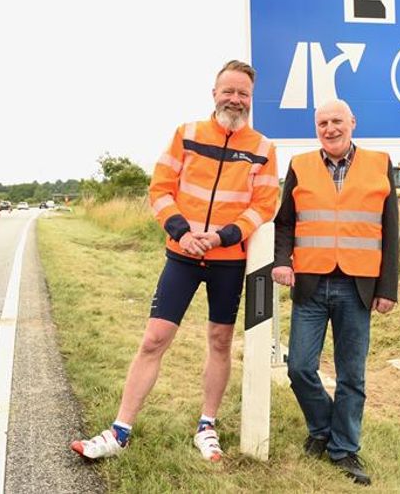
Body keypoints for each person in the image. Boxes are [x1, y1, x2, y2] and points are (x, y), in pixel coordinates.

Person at [70, 60, 279, 462]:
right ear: (214, 93)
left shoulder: (263, 149)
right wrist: (184, 233)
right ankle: (120, 431)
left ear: (251, 100)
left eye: (243, 94)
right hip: (182, 256)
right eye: (228, 91)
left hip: (229, 262)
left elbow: (263, 206)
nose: (235, 99)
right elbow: (160, 189)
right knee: (154, 339)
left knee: (220, 342)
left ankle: (206, 426)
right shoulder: (186, 135)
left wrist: (221, 236)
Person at [271, 99, 398, 486]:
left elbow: (390, 231)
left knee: (351, 375)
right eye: (322, 122)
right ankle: (323, 425)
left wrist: (387, 287)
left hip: (358, 287)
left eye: (336, 121)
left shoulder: (380, 163)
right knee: (299, 368)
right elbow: (285, 223)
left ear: (352, 122)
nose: (330, 128)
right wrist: (282, 261)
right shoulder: (300, 165)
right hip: (310, 283)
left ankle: (343, 448)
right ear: (316, 128)